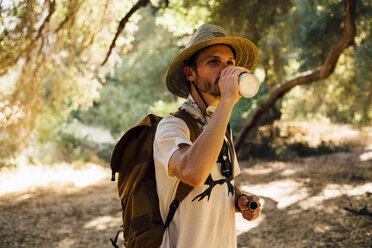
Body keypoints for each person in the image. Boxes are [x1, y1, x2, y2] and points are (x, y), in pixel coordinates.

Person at [153, 24, 261, 248]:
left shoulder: (220, 124)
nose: (225, 70)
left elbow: (224, 182)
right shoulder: (171, 127)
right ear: (189, 73)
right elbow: (193, 173)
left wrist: (240, 199)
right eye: (214, 62)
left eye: (230, 63)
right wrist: (228, 102)